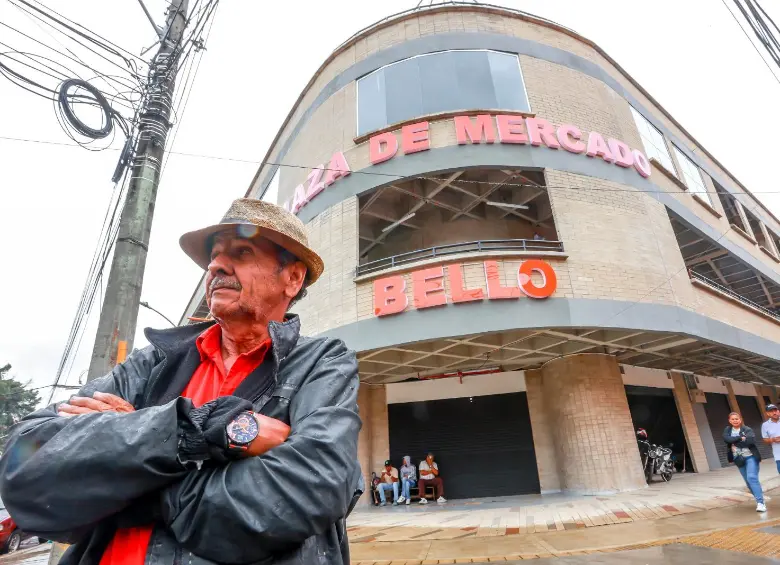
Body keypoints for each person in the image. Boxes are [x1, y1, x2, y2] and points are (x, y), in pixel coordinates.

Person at [0, 199, 363, 565]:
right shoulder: (154, 361)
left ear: (293, 278)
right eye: (215, 256)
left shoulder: (322, 361)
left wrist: (132, 474)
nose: (216, 265)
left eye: (242, 252)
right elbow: (24, 464)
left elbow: (312, 487)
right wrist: (201, 429)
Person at [723, 412, 765, 512]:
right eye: (733, 419)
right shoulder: (727, 430)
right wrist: (739, 438)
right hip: (738, 459)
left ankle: (760, 503)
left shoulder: (747, 429)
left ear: (740, 419)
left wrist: (734, 442)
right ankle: (759, 499)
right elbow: (726, 439)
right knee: (748, 482)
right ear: (729, 420)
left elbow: (750, 442)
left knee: (752, 478)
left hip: (750, 457)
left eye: (737, 418)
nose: (735, 420)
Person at [761, 404, 780, 475]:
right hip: (778, 455)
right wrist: (773, 440)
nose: (774, 412)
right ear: (767, 413)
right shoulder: (765, 425)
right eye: (771, 411)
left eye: (775, 410)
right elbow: (765, 439)